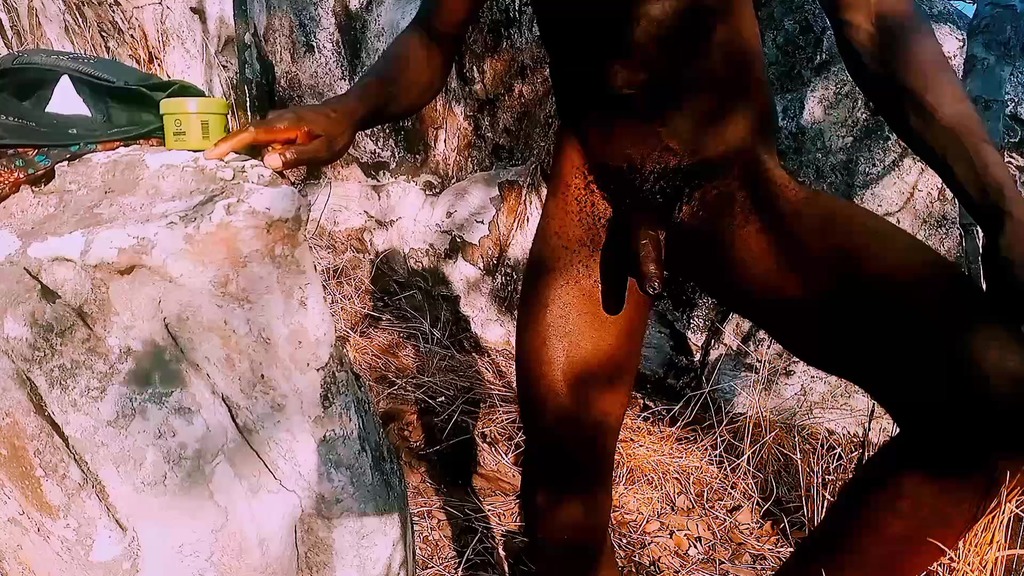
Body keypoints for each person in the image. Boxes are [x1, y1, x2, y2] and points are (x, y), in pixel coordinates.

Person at [205, 0, 1024, 574]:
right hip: (596, 193)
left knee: (997, 396)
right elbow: (432, 34)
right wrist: (347, 110)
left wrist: (1001, 205)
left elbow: (875, 19)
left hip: (734, 196)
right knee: (560, 509)